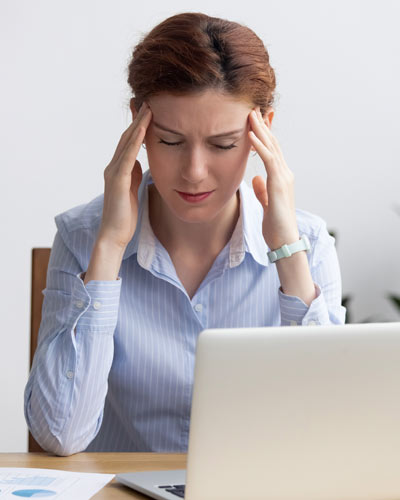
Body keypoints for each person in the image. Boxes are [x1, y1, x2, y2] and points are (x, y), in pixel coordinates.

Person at [24, 12, 346, 456]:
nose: (194, 173)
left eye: (223, 144)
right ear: (138, 123)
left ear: (262, 130)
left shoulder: (309, 244)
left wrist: (289, 255)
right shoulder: (83, 238)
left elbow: (330, 435)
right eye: (171, 141)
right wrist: (110, 246)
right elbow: (61, 435)